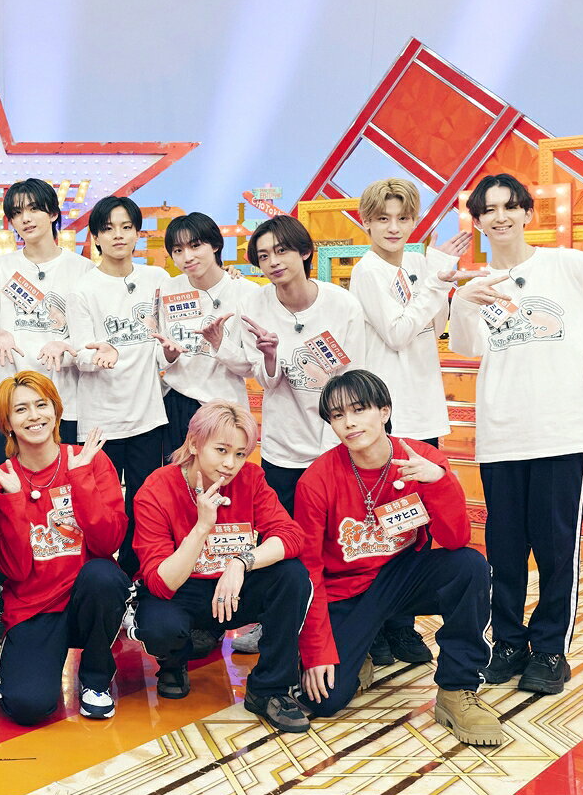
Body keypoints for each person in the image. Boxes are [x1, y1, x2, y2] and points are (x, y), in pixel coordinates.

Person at [450, 174, 583, 695]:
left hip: (562, 431)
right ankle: (508, 644)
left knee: (557, 549)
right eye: (488, 210)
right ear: (478, 222)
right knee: (504, 550)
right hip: (502, 433)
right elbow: (468, 347)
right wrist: (463, 300)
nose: (499, 217)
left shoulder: (568, 264)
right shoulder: (479, 283)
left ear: (526, 213)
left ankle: (550, 651)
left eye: (509, 206)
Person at [294, 369, 503, 746]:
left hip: (402, 576)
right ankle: (360, 649)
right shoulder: (316, 480)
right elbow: (308, 571)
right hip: (346, 591)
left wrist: (437, 481)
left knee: (470, 567)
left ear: (384, 411)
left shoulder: (422, 459)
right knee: (324, 700)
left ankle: (456, 690)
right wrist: (316, 651)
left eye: (359, 409)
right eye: (338, 415)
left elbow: (456, 539)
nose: (349, 422)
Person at [350, 178, 474, 667]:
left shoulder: (421, 264)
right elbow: (399, 333)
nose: (393, 227)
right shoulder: (367, 270)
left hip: (424, 406)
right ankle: (384, 624)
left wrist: (437, 281)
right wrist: (436, 283)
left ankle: (403, 622)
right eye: (383, 218)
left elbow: (434, 327)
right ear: (366, 222)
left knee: (418, 518)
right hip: (387, 412)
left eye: (403, 218)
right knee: (383, 519)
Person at [130, 401, 312, 732]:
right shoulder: (156, 489)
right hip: (181, 591)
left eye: (240, 454)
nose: (231, 464)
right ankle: (173, 661)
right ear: (194, 443)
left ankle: (268, 689)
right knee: (160, 628)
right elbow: (159, 583)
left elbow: (291, 535)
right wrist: (202, 527)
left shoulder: (251, 479)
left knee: (293, 576)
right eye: (222, 450)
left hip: (232, 589)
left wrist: (241, 563)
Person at [0, 371, 130, 724]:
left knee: (105, 576)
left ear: (56, 410)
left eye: (41, 405)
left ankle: (96, 679)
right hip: (34, 606)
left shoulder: (89, 461)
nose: (34, 416)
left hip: (84, 599)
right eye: (21, 409)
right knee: (28, 706)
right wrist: (13, 499)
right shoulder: (1, 479)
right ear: (7, 423)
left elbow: (108, 543)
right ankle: (13, 672)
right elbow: (14, 570)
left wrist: (80, 481)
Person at [69, 195, 171, 577]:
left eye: (126, 227)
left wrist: (170, 354)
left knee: (144, 505)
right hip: (101, 422)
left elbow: (165, 348)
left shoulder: (157, 280)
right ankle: (102, 580)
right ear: (95, 236)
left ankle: (139, 578)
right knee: (100, 509)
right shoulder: (84, 289)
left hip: (147, 417)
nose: (118, 235)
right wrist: (99, 354)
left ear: (137, 233)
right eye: (108, 228)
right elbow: (79, 353)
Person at [240, 215, 368, 513]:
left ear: (305, 251)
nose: (273, 262)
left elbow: (353, 379)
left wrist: (337, 445)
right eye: (264, 256)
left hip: (336, 443)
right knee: (283, 530)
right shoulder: (253, 306)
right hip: (282, 446)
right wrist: (270, 356)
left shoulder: (342, 305)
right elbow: (267, 382)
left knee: (335, 529)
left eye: (282, 250)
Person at [0, 179, 95, 453]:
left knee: (63, 478)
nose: (26, 219)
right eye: (17, 213)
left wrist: (66, 348)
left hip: (63, 401)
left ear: (53, 213)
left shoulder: (84, 270)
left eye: (33, 209)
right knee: (8, 478)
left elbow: (89, 344)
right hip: (10, 402)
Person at [158, 211, 257, 455]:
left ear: (215, 245)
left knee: (223, 474)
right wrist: (168, 355)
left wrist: (220, 344)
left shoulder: (246, 292)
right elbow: (159, 348)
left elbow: (250, 366)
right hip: (176, 401)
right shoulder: (168, 288)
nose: (187, 257)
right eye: (178, 250)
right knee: (177, 474)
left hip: (224, 408)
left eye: (195, 246)